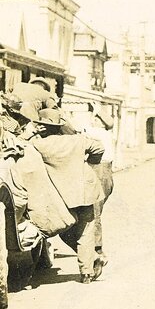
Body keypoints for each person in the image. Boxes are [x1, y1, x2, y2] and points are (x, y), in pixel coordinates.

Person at [30, 108, 105, 283]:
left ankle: (91, 260)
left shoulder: (38, 145)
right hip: (86, 191)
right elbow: (99, 147)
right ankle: (87, 271)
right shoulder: (77, 140)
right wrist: (91, 163)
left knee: (65, 232)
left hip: (62, 196)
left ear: (42, 127)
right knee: (86, 230)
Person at [84, 102, 116, 277]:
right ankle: (94, 251)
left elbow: (76, 130)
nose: (92, 120)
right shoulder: (104, 134)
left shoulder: (98, 133)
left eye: (95, 118)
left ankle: (98, 253)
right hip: (105, 173)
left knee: (94, 215)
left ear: (100, 122)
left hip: (99, 172)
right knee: (94, 214)